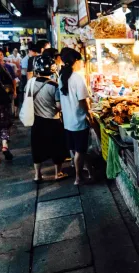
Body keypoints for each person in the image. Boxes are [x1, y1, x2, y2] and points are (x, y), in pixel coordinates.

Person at [27, 55, 69, 183]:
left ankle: (37, 175)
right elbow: (58, 106)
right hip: (52, 121)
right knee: (57, 147)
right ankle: (58, 173)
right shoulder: (54, 86)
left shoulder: (30, 84)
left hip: (36, 121)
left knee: (37, 147)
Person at [59, 49, 93, 185]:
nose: (81, 63)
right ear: (76, 61)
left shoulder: (62, 76)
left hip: (68, 120)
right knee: (80, 150)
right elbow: (82, 100)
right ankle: (78, 178)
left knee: (80, 149)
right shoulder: (77, 78)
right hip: (79, 120)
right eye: (80, 60)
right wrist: (89, 113)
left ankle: (90, 173)